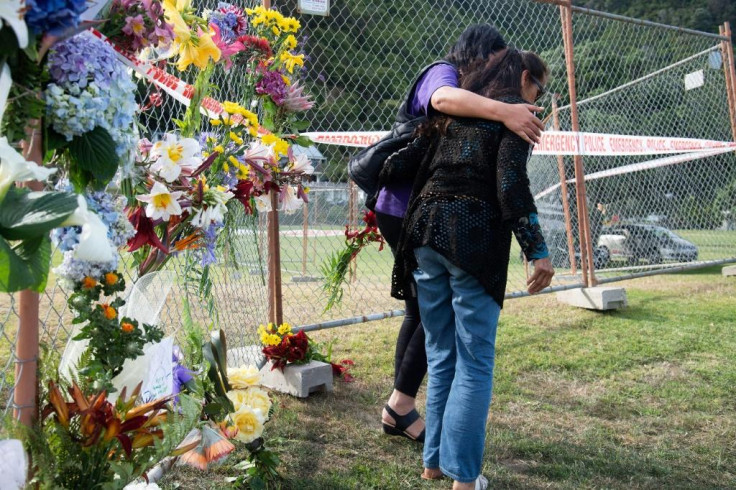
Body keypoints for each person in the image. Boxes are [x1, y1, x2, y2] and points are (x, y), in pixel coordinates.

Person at [389, 49, 555, 489]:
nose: (539, 100)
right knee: (476, 361)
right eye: (539, 89)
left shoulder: (456, 113)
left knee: (443, 354)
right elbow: (511, 185)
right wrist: (537, 250)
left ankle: (435, 463)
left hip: (425, 234)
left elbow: (404, 163)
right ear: (524, 80)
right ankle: (465, 479)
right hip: (472, 237)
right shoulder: (514, 119)